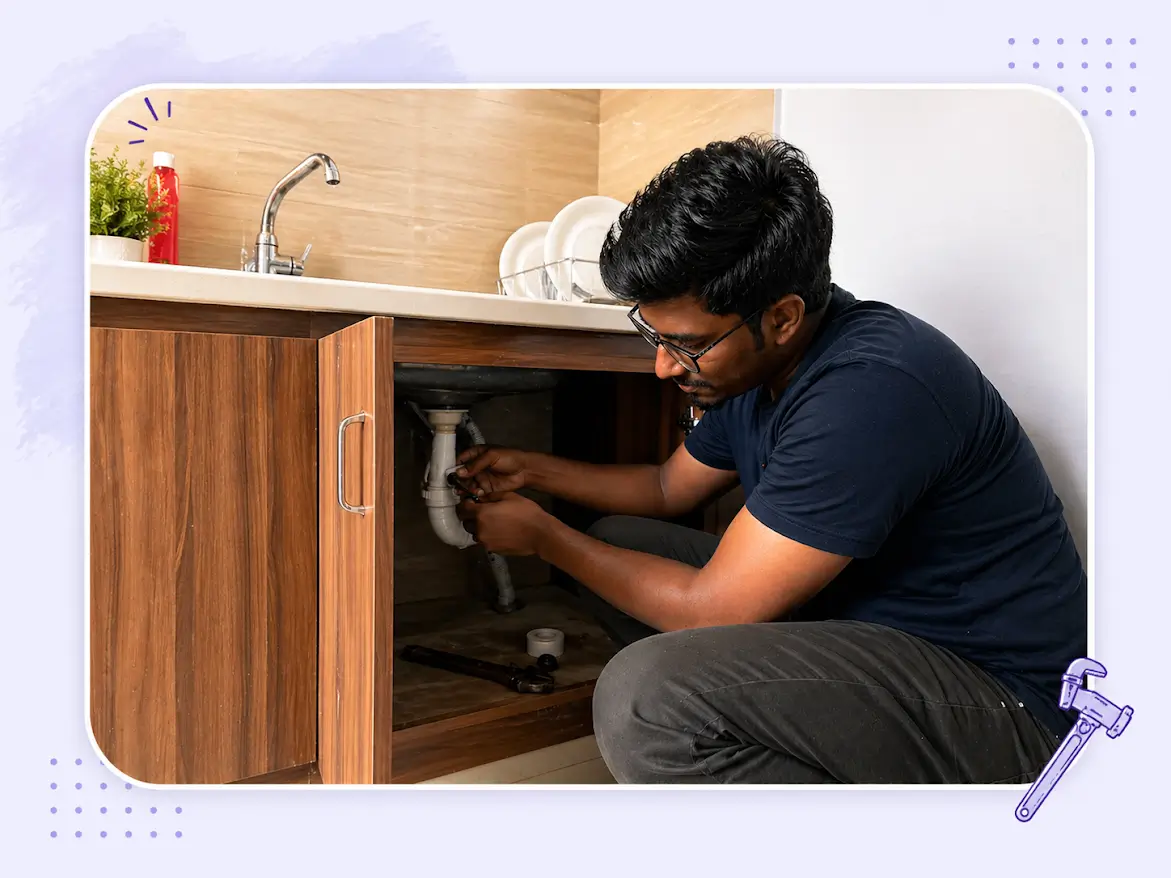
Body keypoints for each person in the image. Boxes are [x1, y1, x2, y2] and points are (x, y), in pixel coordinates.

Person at [454, 134, 1086, 784]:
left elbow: (711, 610)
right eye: (652, 334)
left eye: (686, 343)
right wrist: (533, 469)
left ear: (782, 317)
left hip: (1004, 703)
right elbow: (668, 488)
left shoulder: (870, 387)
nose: (663, 365)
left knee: (647, 699)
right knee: (619, 541)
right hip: (868, 627)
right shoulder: (756, 367)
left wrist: (544, 539)